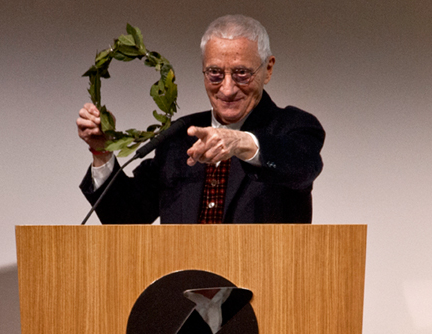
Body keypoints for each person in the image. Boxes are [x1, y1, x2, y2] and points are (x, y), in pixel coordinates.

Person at [77, 15, 325, 224]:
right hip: (185, 281)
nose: (227, 89)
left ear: (267, 69)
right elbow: (125, 218)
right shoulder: (180, 136)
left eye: (241, 73)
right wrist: (102, 152)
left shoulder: (294, 127)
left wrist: (240, 142)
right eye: (215, 74)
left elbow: (302, 168)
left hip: (263, 281)